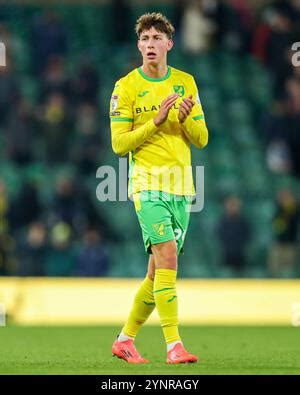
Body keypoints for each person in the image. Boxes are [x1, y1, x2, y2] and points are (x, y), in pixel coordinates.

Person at [109, 13, 208, 364]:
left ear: (169, 43)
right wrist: (155, 122)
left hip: (181, 190)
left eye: (156, 38)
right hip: (147, 186)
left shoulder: (186, 83)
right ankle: (174, 345)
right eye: (145, 39)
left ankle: (124, 339)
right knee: (168, 259)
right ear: (138, 45)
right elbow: (120, 145)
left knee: (156, 274)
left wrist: (182, 120)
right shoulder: (126, 87)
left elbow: (202, 138)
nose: (150, 44)